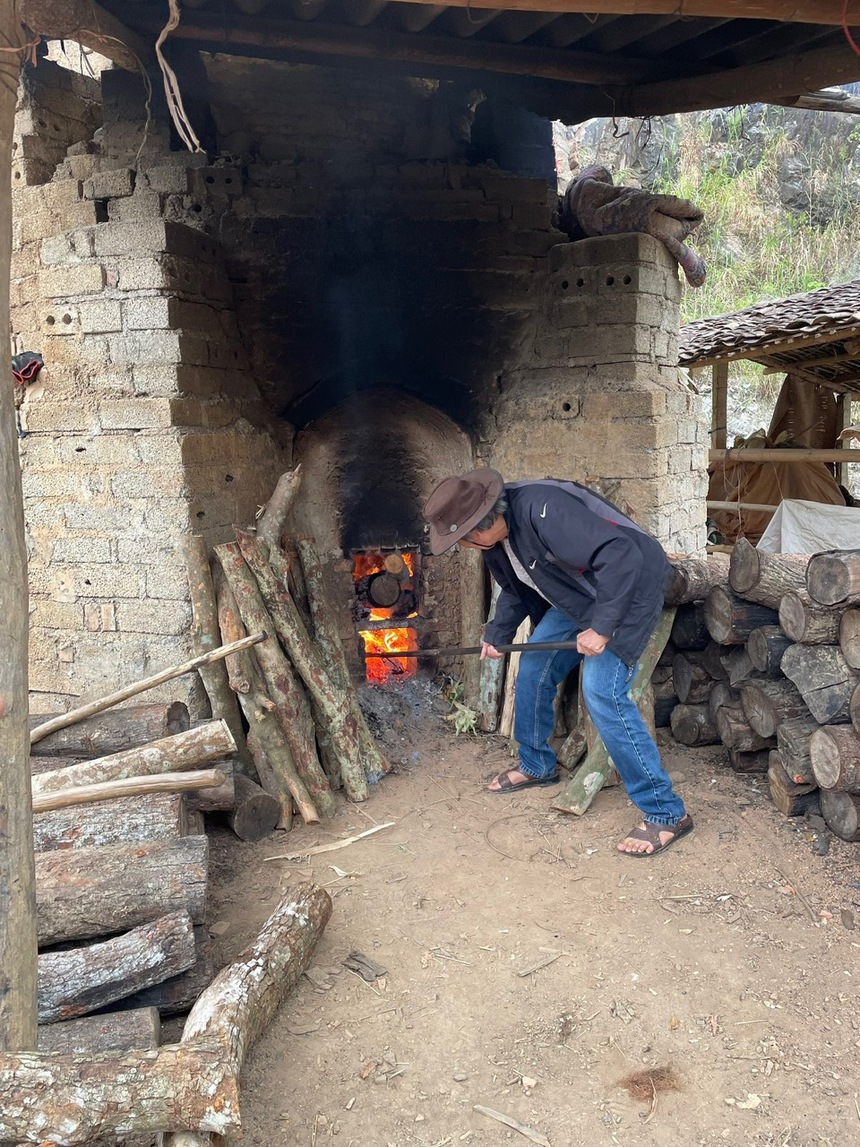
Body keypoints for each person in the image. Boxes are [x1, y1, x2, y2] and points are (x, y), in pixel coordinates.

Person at [422, 468, 693, 858]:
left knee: (603, 692)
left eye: (461, 538)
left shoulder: (544, 509)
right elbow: (515, 590)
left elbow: (621, 555)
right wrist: (497, 634)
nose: (463, 545)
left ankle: (666, 812)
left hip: (630, 585)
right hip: (582, 593)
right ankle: (536, 764)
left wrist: (602, 628)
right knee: (533, 670)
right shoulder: (496, 543)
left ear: (481, 527)